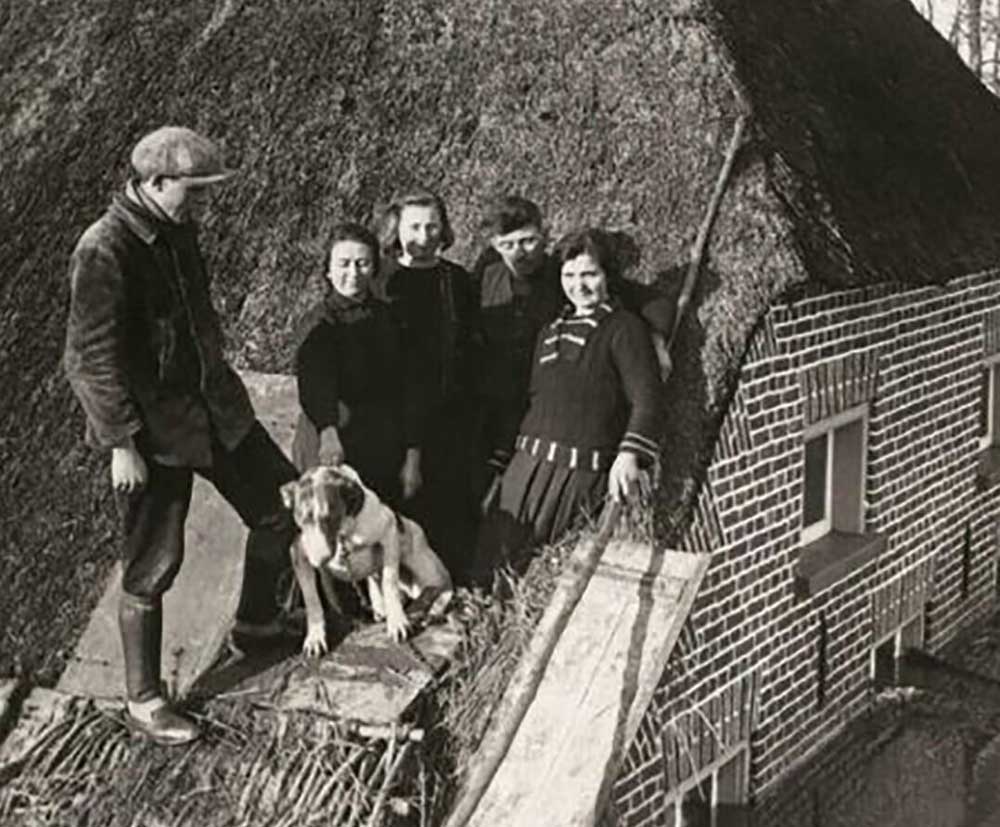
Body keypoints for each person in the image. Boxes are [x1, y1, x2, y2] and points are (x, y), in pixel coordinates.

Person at [63, 126, 299, 746]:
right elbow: (88, 359)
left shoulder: (176, 230)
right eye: (192, 193)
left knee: (280, 508)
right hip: (154, 433)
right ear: (153, 183)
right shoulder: (105, 248)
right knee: (151, 566)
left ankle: (255, 622)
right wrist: (122, 442)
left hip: (217, 410)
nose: (201, 206)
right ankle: (144, 699)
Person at [474, 228, 663, 580]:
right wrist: (503, 467)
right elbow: (527, 403)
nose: (580, 285)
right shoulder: (548, 329)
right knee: (493, 563)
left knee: (540, 573)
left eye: (590, 274)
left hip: (576, 474)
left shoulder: (623, 328)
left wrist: (629, 453)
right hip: (525, 469)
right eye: (569, 275)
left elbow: (647, 398)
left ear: (608, 276)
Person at [377, 189, 478, 579]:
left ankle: (441, 587)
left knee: (444, 506)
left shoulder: (455, 281)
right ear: (397, 229)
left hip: (445, 416)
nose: (423, 235)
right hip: (392, 414)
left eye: (432, 225)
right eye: (414, 226)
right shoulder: (381, 279)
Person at [292, 222, 418, 506]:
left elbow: (408, 387)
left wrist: (412, 453)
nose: (353, 273)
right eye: (344, 263)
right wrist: (328, 433)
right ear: (328, 269)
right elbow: (315, 382)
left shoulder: (391, 320)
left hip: (379, 444)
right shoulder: (319, 322)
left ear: (374, 268)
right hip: (330, 442)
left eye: (362, 263)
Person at [468, 196, 564, 509]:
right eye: (508, 244)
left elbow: (639, 300)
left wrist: (657, 339)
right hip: (483, 403)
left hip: (535, 409)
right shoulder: (485, 276)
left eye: (528, 241)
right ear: (494, 244)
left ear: (545, 234)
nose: (519, 253)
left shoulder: (564, 275)